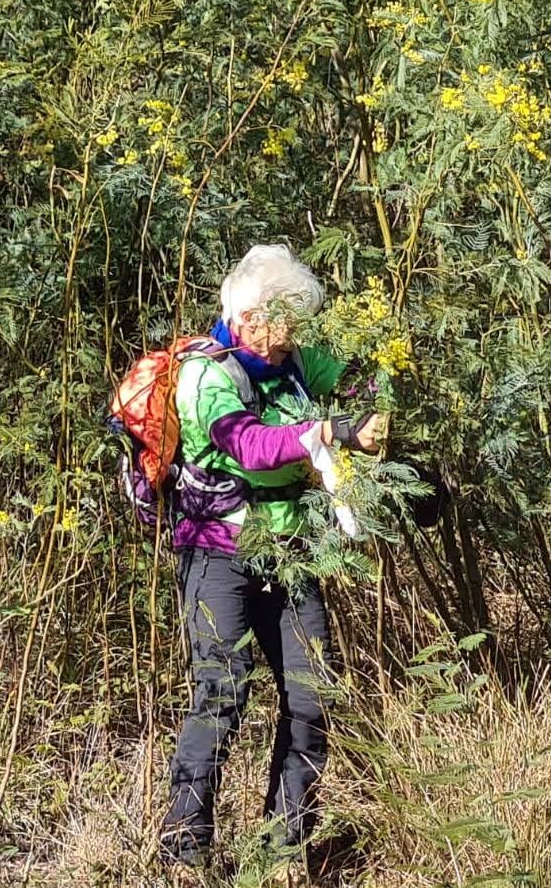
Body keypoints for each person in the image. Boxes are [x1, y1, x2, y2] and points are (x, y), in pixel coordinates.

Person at [159, 244, 383, 867]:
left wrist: (372, 410)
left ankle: (281, 853)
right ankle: (187, 852)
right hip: (220, 557)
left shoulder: (290, 362)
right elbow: (252, 446)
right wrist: (329, 433)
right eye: (287, 328)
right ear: (253, 317)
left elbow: (363, 378)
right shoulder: (207, 376)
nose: (294, 342)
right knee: (221, 698)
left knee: (313, 699)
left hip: (291, 555)